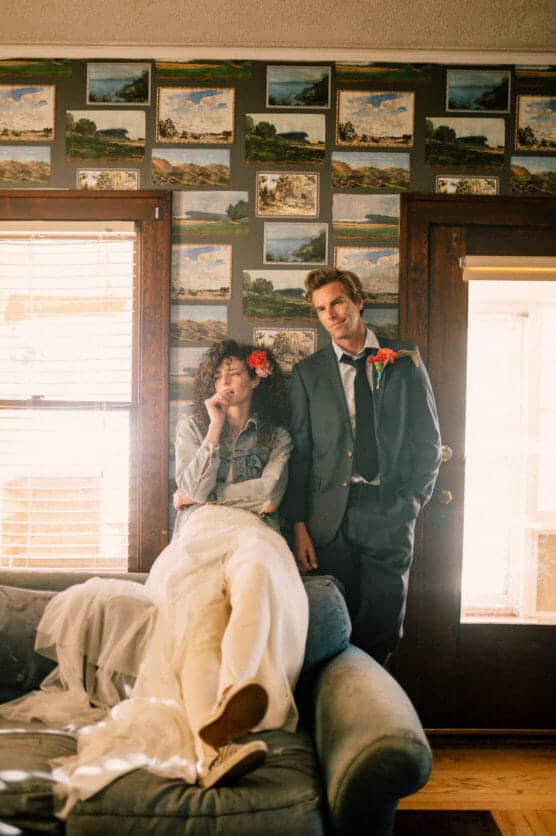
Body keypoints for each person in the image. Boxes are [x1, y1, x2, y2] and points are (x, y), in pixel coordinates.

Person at [0, 340, 308, 813]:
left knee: (257, 578)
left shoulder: (278, 435)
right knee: (197, 622)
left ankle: (233, 694)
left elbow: (270, 495)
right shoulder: (193, 426)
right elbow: (191, 488)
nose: (224, 384)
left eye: (234, 375)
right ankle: (215, 748)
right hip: (199, 534)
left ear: (255, 379)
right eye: (218, 377)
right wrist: (215, 430)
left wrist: (210, 496)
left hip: (255, 533)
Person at [285, 268, 441, 666]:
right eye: (321, 309)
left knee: (383, 628)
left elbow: (427, 438)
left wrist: (414, 501)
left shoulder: (404, 359)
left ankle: (371, 720)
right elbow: (301, 455)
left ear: (358, 301)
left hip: (389, 510)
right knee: (329, 627)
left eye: (337, 302)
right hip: (327, 521)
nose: (331, 314)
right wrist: (299, 525)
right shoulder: (307, 374)